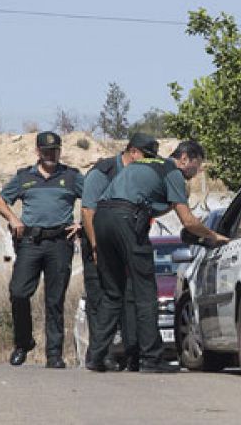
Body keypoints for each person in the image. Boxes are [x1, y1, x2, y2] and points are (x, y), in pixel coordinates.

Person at [86, 140, 229, 373]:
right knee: (145, 292)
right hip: (126, 220)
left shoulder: (147, 164)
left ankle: (97, 356)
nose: (197, 171)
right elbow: (189, 221)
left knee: (113, 292)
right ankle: (151, 359)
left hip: (102, 218)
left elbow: (149, 203)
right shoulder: (172, 172)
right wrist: (213, 236)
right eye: (197, 165)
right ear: (185, 158)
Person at [0, 131, 84, 368]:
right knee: (19, 292)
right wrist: (13, 219)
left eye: (55, 150)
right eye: (46, 151)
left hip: (60, 243)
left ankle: (54, 354)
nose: (51, 155)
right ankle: (23, 343)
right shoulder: (24, 177)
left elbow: (94, 200)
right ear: (37, 152)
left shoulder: (71, 176)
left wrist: (82, 224)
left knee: (55, 300)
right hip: (30, 243)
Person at [80, 133, 158, 371]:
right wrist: (96, 247)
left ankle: (132, 355)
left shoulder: (138, 176)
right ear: (133, 152)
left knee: (130, 299)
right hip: (98, 243)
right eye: (147, 157)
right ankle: (99, 356)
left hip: (124, 245)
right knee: (102, 299)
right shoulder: (101, 172)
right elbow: (88, 213)